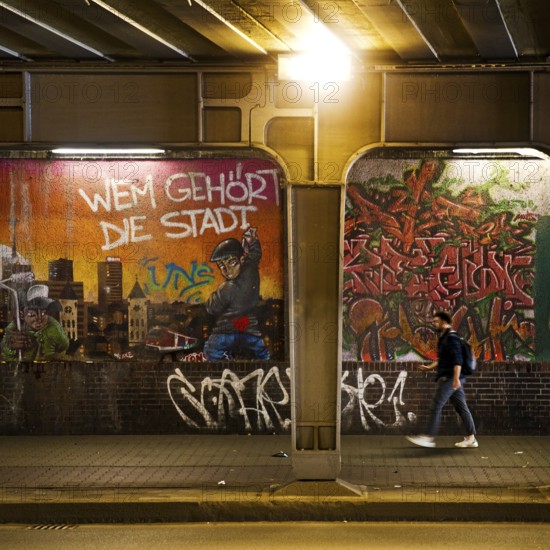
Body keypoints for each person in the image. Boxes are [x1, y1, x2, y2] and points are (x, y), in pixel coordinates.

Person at [406, 310, 478, 449]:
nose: (434, 324)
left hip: (451, 378)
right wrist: (429, 367)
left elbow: (458, 360)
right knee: (462, 408)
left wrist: (456, 379)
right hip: (453, 378)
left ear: (444, 323)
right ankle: (471, 438)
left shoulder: (452, 338)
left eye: (436, 321)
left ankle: (428, 437)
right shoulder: (444, 338)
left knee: (436, 404)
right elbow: (442, 359)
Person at [203, 226, 270, 361]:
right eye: (222, 266)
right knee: (263, 355)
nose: (227, 270)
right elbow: (255, 255)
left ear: (241, 260)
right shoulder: (251, 271)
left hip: (224, 333)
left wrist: (213, 297)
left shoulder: (226, 288)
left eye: (232, 262)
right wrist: (252, 241)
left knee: (211, 352)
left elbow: (212, 308)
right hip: (251, 332)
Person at [1, 284, 69, 361]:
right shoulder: (14, 327)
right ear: (22, 315)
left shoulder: (54, 327)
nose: (39, 319)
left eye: (43, 313)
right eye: (32, 314)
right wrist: (11, 349)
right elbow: (5, 354)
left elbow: (64, 345)